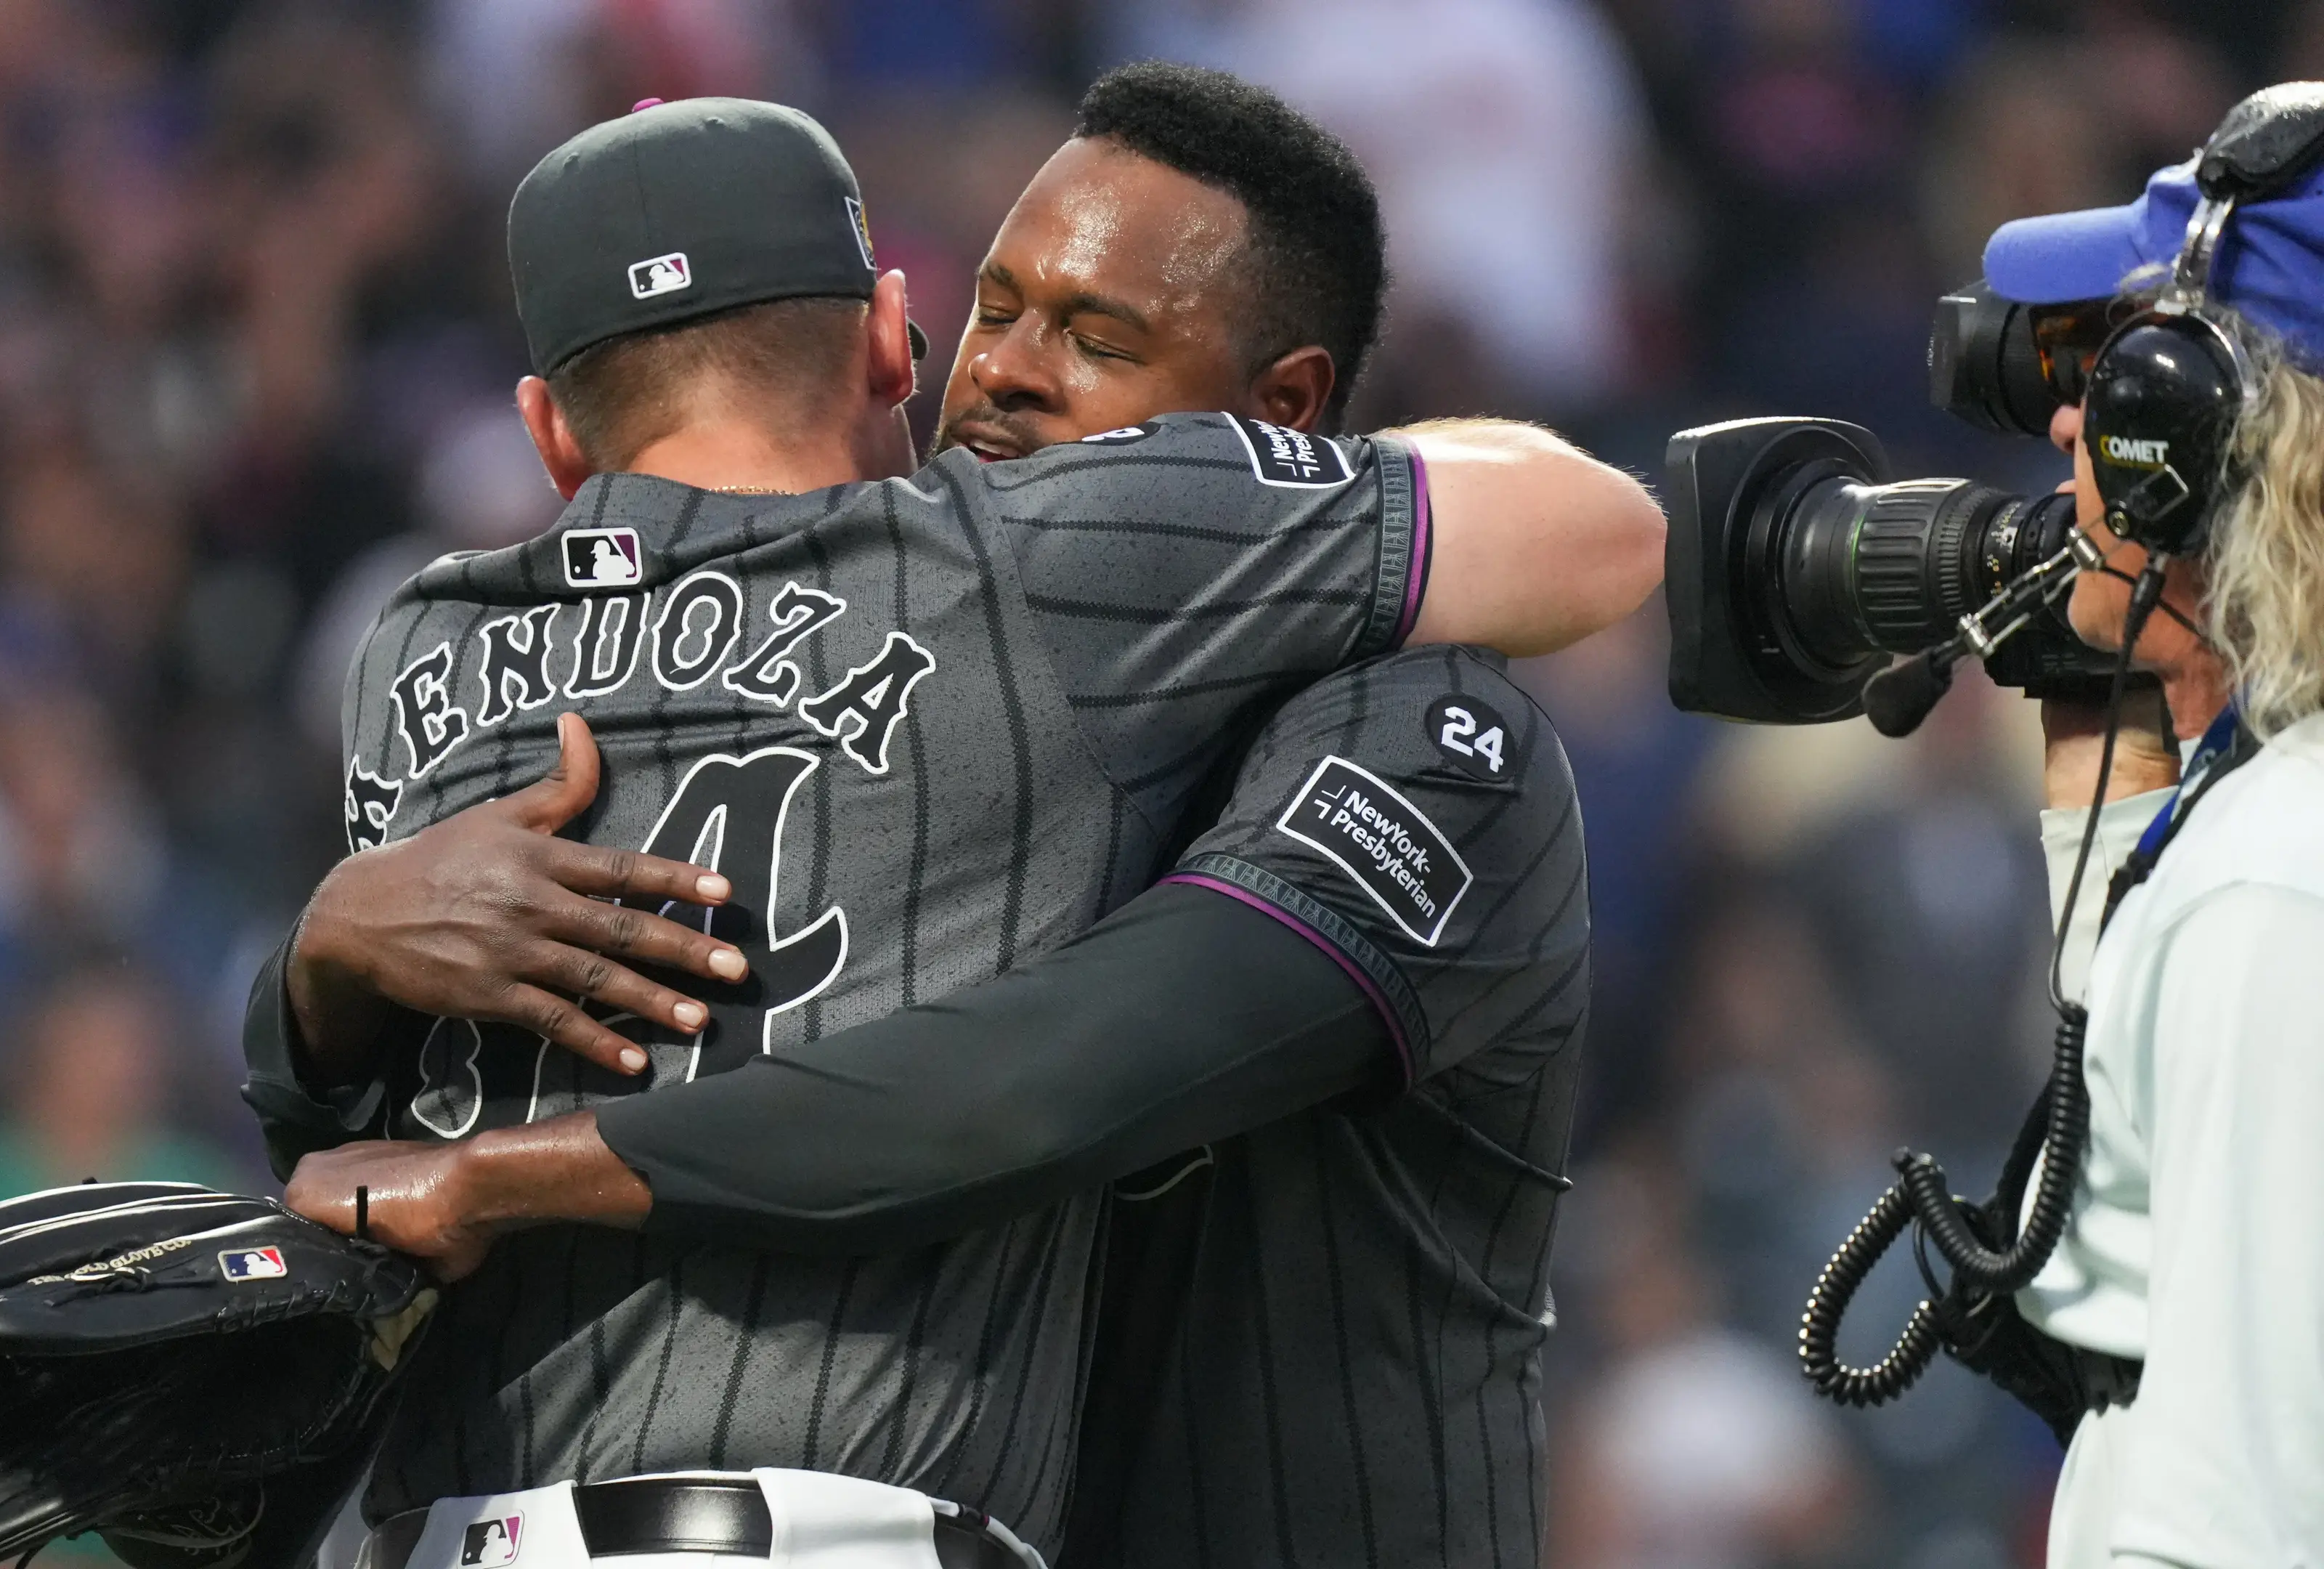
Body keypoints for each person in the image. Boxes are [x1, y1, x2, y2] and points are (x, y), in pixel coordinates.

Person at [259, 71, 1649, 1565]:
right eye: (990, 313)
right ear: (889, 336)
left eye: (1097, 337)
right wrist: (322, 977)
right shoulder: (968, 615)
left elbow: (1045, 1076)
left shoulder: (1419, 728)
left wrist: (490, 1164)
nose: (1004, 376)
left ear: (1281, 430)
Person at [1967, 84, 2324, 1567]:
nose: (2067, 423)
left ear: (2216, 436)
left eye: (2115, 380)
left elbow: (2240, 1510)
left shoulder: (2273, 886)